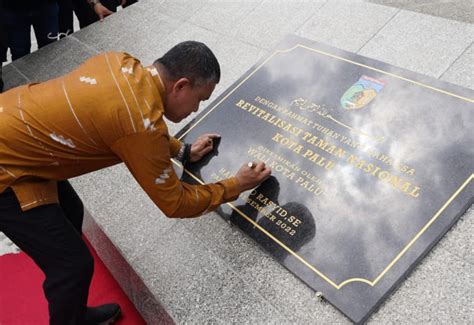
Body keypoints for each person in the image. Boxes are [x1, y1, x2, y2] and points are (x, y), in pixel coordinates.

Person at [0, 41, 271, 324]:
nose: (195, 109)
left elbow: (139, 123)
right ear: (180, 86)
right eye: (199, 99)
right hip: (7, 170)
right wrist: (236, 185)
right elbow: (175, 202)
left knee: (72, 213)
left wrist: (183, 151)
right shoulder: (140, 124)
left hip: (17, 131)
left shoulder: (124, 63)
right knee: (71, 265)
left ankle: (73, 313)